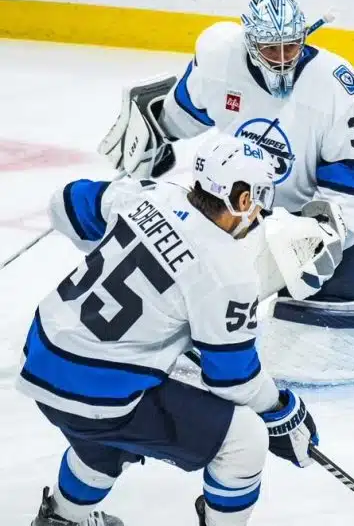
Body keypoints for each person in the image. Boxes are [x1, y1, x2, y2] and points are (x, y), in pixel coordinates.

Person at [95, 0, 354, 384]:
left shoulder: (339, 88)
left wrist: (318, 237)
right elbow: (179, 118)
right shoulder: (218, 57)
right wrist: (149, 138)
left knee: (318, 338)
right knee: (192, 281)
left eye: (290, 47)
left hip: (317, 212)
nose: (281, 59)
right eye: (270, 49)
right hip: (235, 208)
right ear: (250, 43)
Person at [17, 136, 320, 525]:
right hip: (96, 389)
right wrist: (281, 411)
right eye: (260, 198)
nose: (261, 211)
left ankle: (61, 519)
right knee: (244, 441)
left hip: (41, 354)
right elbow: (233, 380)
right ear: (243, 200)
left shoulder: (149, 194)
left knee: (104, 442)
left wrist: (120, 246)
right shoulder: (229, 269)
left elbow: (66, 204)